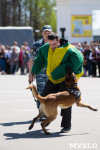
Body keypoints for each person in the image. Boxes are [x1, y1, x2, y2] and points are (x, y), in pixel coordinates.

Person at [30, 32, 83, 133]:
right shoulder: (45, 48)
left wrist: (65, 73)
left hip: (65, 80)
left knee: (66, 103)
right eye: (50, 44)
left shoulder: (70, 50)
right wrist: (33, 72)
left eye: (54, 44)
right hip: (53, 78)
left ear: (58, 41)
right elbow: (39, 61)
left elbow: (78, 62)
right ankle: (48, 118)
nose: (52, 46)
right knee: (44, 98)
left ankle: (66, 126)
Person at [29, 25, 52, 109]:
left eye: (48, 32)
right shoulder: (36, 44)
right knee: (41, 93)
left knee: (50, 94)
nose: (47, 34)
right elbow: (32, 60)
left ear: (51, 33)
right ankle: (41, 112)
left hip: (52, 73)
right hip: (40, 73)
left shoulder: (54, 43)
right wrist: (31, 74)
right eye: (45, 32)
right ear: (42, 33)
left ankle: (48, 111)